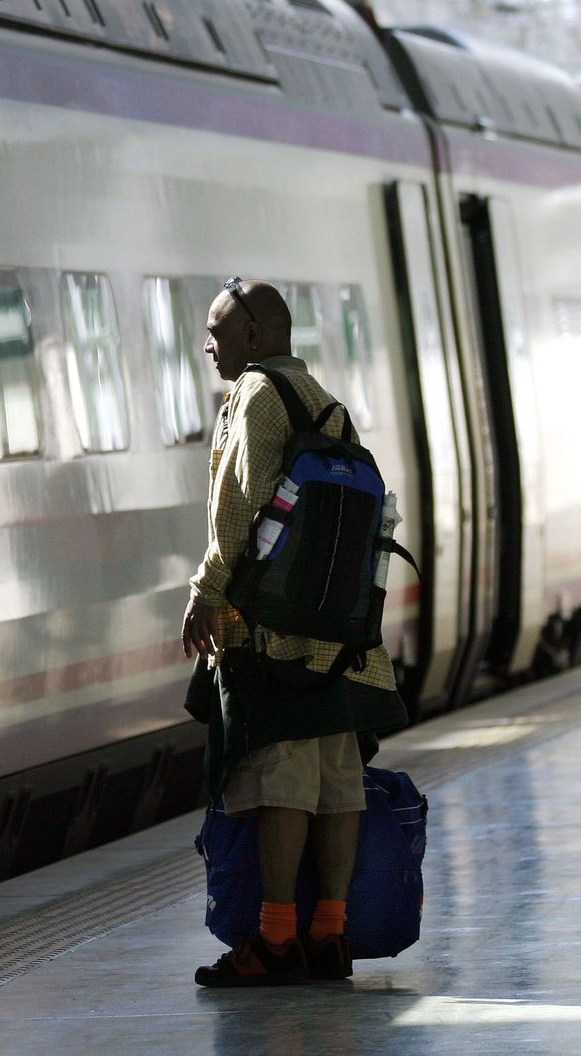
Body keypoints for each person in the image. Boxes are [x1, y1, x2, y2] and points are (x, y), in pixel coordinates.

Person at [182, 277, 406, 987]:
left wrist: (205, 593)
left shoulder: (252, 396)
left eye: (217, 332)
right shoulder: (328, 406)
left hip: (276, 637)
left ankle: (277, 939)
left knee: (280, 784)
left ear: (254, 336)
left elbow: (237, 510)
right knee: (339, 784)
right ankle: (330, 934)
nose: (209, 345)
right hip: (342, 639)